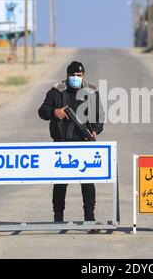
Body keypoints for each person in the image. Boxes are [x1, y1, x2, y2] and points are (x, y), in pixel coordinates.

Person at [38, 61, 104, 222]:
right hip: (62, 143)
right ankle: (58, 216)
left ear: (84, 76)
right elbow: (42, 111)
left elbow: (99, 116)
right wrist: (55, 111)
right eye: (72, 75)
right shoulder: (56, 92)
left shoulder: (92, 92)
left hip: (84, 142)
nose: (76, 78)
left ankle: (89, 217)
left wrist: (95, 130)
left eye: (79, 75)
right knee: (60, 183)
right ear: (67, 76)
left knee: (88, 183)